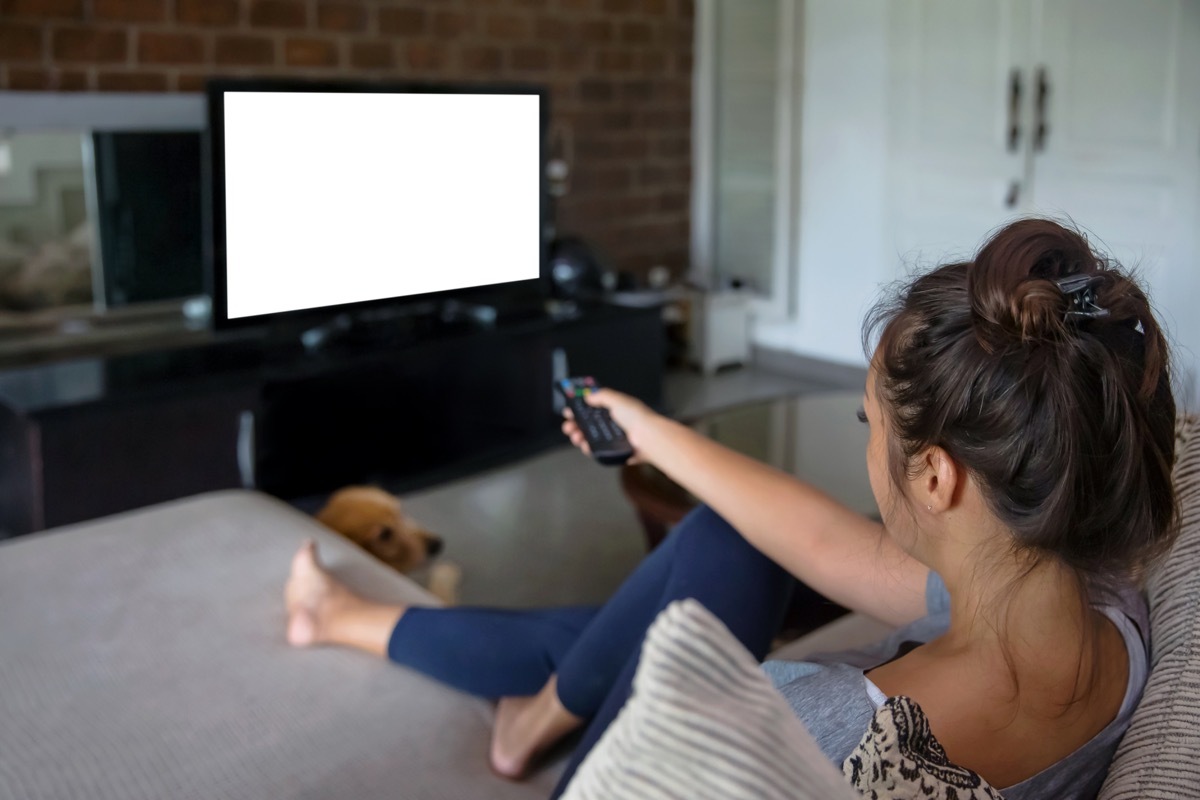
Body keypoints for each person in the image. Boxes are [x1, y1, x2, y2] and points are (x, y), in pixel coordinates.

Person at [283, 217, 1177, 800]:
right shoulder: (1107, 618)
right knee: (725, 543)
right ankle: (367, 628)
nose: (869, 448)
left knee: (631, 628)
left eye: (872, 424)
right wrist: (645, 430)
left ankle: (504, 709)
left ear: (937, 477)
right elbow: (830, 543)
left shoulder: (819, 740)